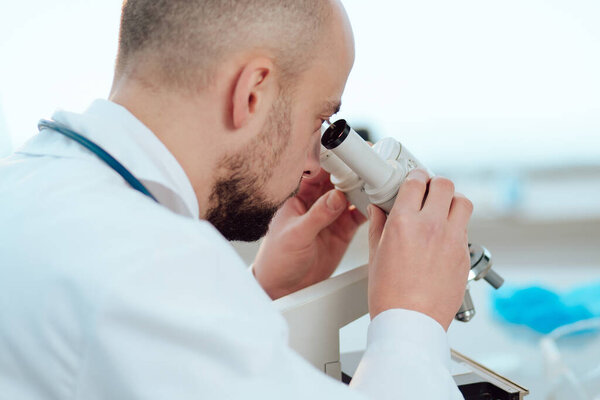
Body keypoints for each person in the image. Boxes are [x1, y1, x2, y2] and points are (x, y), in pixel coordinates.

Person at [0, 0, 473, 399]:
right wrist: (412, 323)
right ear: (251, 93)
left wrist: (259, 294)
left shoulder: (33, 187)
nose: (311, 166)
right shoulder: (148, 268)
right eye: (318, 118)